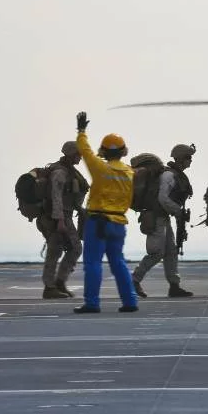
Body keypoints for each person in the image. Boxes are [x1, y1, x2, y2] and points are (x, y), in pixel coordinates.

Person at [73, 111, 139, 313]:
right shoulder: (129, 172)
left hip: (98, 222)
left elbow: (85, 151)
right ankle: (130, 302)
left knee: (93, 263)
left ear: (103, 151)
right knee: (118, 262)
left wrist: (81, 131)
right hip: (118, 223)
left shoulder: (101, 169)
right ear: (124, 151)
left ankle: (92, 303)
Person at [132, 144, 195, 299]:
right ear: (180, 158)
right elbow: (163, 198)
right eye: (188, 157)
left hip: (163, 217)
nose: (190, 161)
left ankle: (174, 285)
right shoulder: (169, 176)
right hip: (156, 217)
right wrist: (178, 211)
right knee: (157, 253)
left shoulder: (175, 174)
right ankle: (133, 280)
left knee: (171, 251)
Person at [40, 141, 88, 299]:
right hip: (55, 217)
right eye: (77, 154)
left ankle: (59, 282)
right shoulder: (60, 172)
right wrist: (59, 220)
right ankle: (50, 287)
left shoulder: (70, 171)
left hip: (64, 216)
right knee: (55, 251)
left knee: (72, 249)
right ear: (70, 154)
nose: (80, 157)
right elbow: (56, 197)